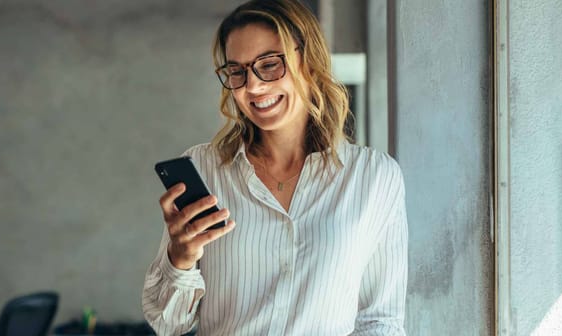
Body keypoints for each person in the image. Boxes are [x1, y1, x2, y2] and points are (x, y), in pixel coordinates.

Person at [142, 0, 408, 335]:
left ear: (308, 61)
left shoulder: (374, 178)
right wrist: (179, 257)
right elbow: (169, 324)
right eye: (237, 72)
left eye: (269, 65)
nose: (252, 87)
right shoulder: (205, 169)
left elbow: (380, 320)